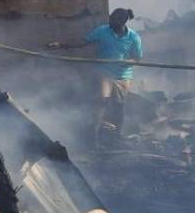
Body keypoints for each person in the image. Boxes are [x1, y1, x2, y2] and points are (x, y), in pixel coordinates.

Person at [49, 8, 142, 144]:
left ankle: (117, 135)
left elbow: (137, 59)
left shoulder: (134, 37)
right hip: (104, 72)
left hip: (123, 77)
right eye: (111, 17)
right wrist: (61, 44)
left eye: (114, 19)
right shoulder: (102, 31)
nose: (110, 20)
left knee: (119, 106)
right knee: (101, 103)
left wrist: (128, 62)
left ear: (122, 21)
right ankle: (93, 137)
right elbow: (82, 41)